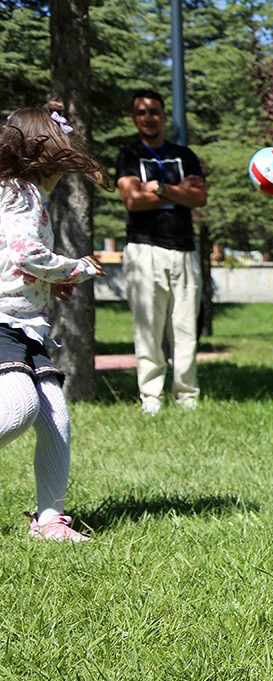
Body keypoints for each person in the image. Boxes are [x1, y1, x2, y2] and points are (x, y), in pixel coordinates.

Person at [0, 103, 108, 541]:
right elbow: (24, 252)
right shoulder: (21, 193)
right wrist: (75, 268)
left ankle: (49, 521)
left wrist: (48, 286)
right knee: (21, 408)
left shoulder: (16, 191)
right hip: (4, 320)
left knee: (55, 417)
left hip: (25, 321)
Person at [115, 89, 207, 415]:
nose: (148, 118)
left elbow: (199, 197)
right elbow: (132, 200)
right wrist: (177, 193)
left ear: (163, 115)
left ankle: (187, 398)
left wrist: (162, 189)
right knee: (148, 330)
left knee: (185, 330)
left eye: (154, 111)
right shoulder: (128, 156)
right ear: (134, 118)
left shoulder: (185, 155)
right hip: (143, 250)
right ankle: (151, 399)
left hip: (183, 250)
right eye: (141, 112)